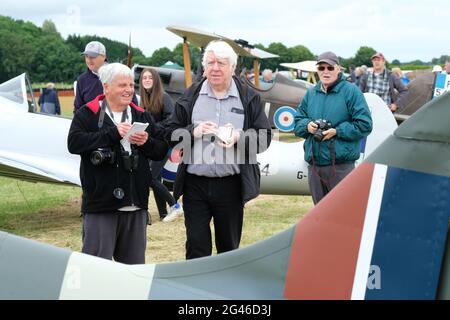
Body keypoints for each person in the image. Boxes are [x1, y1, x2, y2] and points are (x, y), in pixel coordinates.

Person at [164, 40, 272, 260]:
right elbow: (170, 132)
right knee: (196, 246)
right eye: (210, 62)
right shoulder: (191, 95)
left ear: (232, 67)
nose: (215, 68)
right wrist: (193, 131)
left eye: (221, 63)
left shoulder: (249, 97)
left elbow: (265, 137)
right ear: (204, 67)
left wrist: (238, 137)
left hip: (231, 185)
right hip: (195, 184)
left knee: (229, 248)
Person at [67, 63, 168, 264]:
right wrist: (112, 134)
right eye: (122, 85)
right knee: (96, 269)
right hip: (101, 206)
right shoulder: (88, 113)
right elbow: (74, 143)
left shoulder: (141, 114)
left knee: (134, 271)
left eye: (131, 85)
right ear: (106, 87)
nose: (129, 90)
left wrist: (146, 142)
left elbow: (161, 150)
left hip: (136, 205)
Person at [294, 51, 373, 205]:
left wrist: (337, 131)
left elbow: (365, 124)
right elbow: (297, 122)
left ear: (338, 69)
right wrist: (307, 126)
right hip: (315, 167)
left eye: (330, 68)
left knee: (343, 215)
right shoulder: (311, 94)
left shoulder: (351, 92)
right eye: (321, 68)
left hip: (341, 167)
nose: (325, 71)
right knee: (320, 217)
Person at [139, 68, 183, 222]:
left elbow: (171, 121)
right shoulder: (143, 100)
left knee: (150, 177)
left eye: (150, 77)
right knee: (155, 177)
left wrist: (153, 128)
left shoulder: (164, 97)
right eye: (144, 77)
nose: (146, 80)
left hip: (164, 143)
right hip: (151, 144)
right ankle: (163, 213)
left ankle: (175, 205)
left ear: (155, 80)